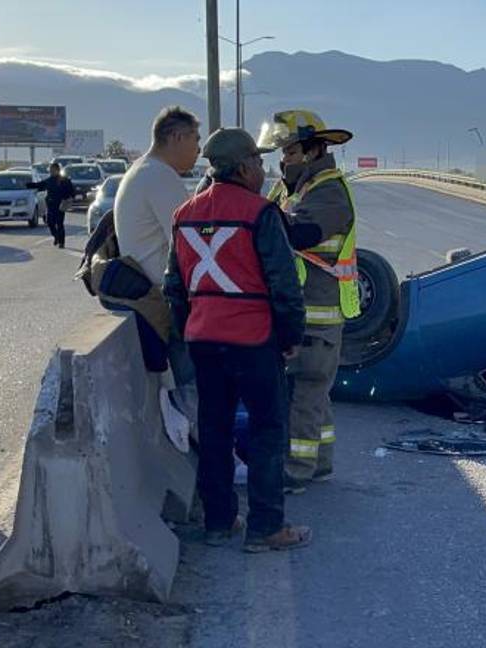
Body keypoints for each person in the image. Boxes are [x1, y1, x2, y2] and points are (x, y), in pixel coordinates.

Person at [164, 128, 310, 552]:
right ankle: (266, 528)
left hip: (203, 340)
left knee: (214, 429)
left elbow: (174, 287)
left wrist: (190, 328)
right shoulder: (260, 213)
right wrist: (290, 336)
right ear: (244, 168)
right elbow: (284, 285)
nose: (263, 170)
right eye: (259, 162)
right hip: (253, 340)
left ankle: (219, 521)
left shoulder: (184, 214)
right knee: (267, 430)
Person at [257, 110, 358, 494]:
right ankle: (320, 462)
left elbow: (299, 234)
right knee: (313, 396)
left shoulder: (328, 191)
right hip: (301, 313)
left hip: (318, 316)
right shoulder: (293, 189)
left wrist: (256, 213)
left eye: (290, 151)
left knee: (304, 395)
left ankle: (296, 470)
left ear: (313, 150)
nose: (283, 160)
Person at [114, 106, 201, 411]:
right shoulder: (159, 176)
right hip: (167, 301)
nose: (198, 150)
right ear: (177, 137)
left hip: (150, 296)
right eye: (195, 140)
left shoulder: (142, 170)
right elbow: (191, 245)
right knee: (194, 391)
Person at [26, 163, 78, 247]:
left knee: (60, 224)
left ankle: (61, 242)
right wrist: (27, 185)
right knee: (50, 223)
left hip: (61, 205)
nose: (51, 172)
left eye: (52, 170)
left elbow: (72, 192)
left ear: (57, 170)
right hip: (51, 205)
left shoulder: (65, 180)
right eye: (50, 170)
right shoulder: (49, 180)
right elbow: (40, 185)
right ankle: (56, 236)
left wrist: (69, 199)